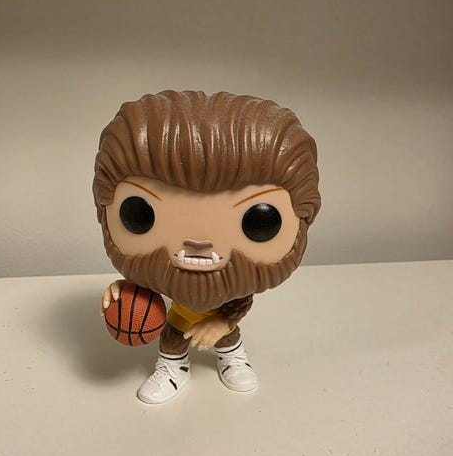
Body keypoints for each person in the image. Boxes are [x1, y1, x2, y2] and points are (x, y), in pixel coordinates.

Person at [93, 90, 320, 404]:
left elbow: (242, 300)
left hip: (220, 313)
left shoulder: (235, 283)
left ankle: (233, 359)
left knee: (226, 338)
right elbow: (144, 289)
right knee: (172, 339)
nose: (198, 242)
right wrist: (125, 289)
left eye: (258, 220)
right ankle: (172, 369)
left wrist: (222, 321)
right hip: (178, 314)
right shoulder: (160, 270)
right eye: (140, 213)